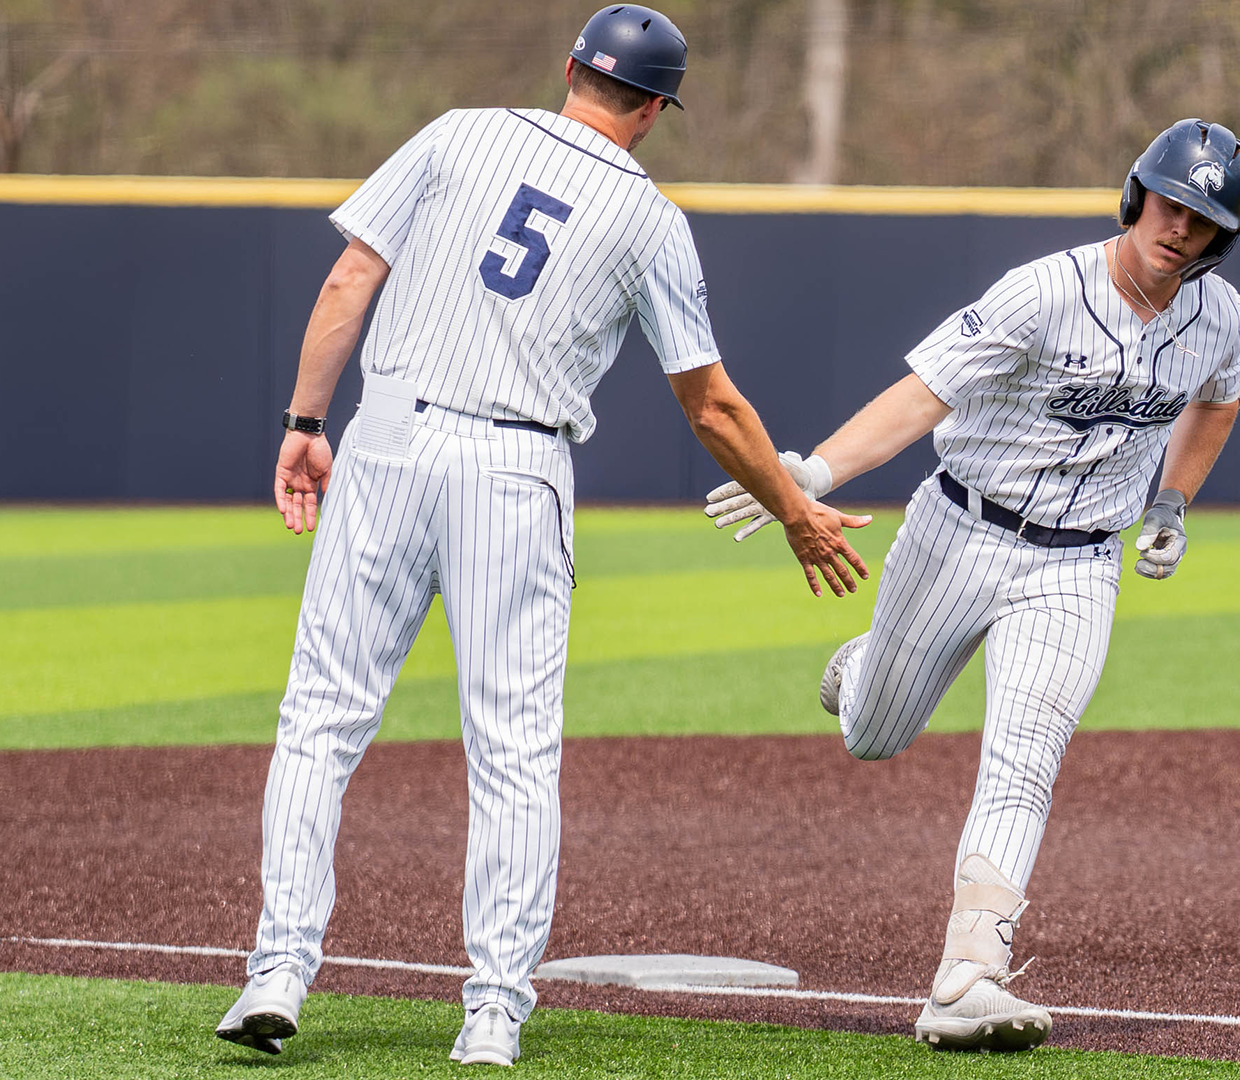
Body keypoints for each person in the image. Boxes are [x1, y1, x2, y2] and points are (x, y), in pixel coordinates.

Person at [214, 5, 868, 1066]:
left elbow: (348, 280)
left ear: (570, 68)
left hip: (385, 437)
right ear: (656, 108)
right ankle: (491, 1015)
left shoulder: (458, 129)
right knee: (513, 753)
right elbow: (711, 405)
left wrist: (302, 423)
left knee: (321, 720)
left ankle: (276, 973)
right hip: (515, 471)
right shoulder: (650, 217)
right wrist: (793, 511)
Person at [705, 119, 1240, 1051]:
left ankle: (967, 975)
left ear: (1219, 236)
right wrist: (817, 475)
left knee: (1027, 752)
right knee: (876, 734)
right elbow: (923, 394)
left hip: (1078, 563)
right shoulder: (1042, 292)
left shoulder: (1220, 316)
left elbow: (1220, 397)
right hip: (960, 530)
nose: (1179, 228)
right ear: (1137, 196)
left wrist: (1172, 503)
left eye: (1202, 220)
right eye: (1169, 204)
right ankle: (870, 659)